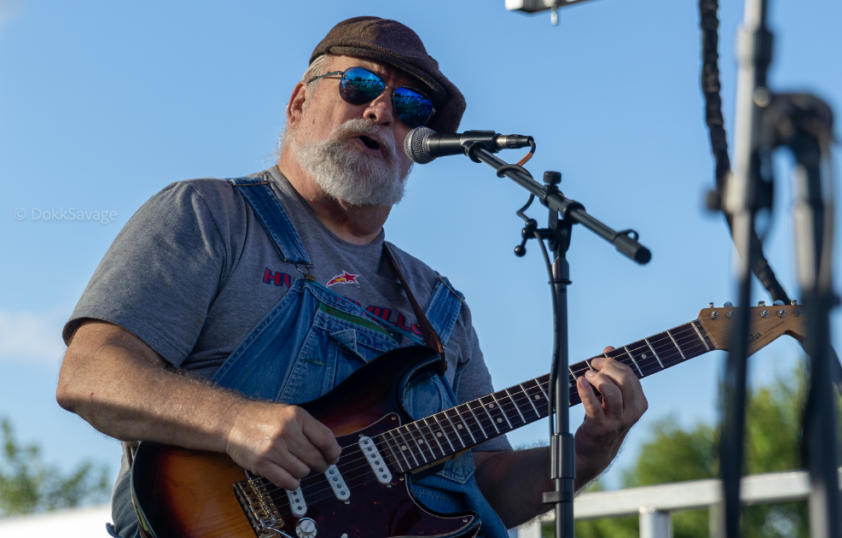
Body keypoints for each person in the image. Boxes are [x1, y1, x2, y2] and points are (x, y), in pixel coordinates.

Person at [56, 16, 647, 538]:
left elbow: (487, 485)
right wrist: (234, 420)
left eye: (411, 108)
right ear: (298, 103)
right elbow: (89, 374)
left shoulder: (439, 304)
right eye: (360, 85)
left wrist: (592, 450)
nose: (383, 111)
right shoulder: (210, 215)